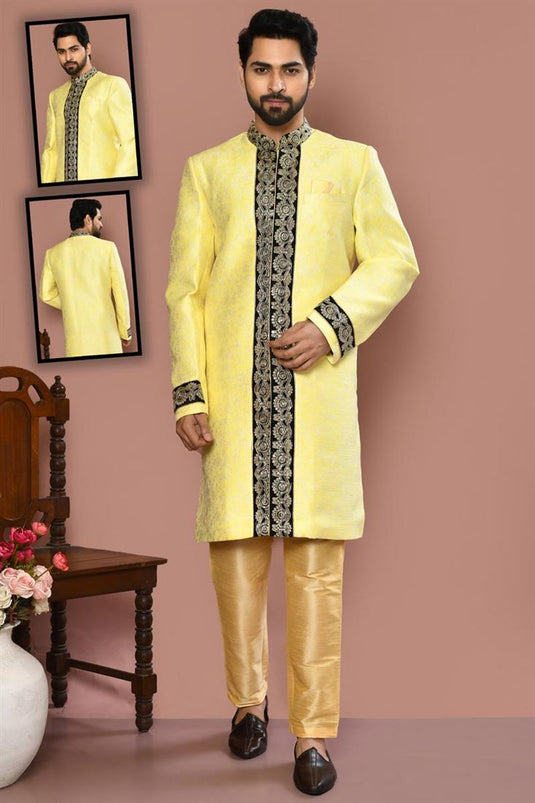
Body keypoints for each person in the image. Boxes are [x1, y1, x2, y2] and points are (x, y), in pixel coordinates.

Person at [166, 9, 418, 796]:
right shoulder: (207, 171)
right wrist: (188, 393)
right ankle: (248, 704)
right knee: (235, 569)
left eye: (289, 69)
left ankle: (312, 735)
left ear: (311, 72)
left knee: (316, 578)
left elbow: (394, 260)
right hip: (233, 408)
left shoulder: (354, 163)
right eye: (261, 68)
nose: (274, 84)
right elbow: (184, 291)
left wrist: (329, 324)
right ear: (242, 71)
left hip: (316, 409)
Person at [40, 21, 138, 183]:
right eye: (61, 52)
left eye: (74, 49)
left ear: (88, 48)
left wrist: (117, 186)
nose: (68, 58)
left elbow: (130, 143)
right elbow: (51, 151)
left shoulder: (112, 85)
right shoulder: (55, 96)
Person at [40, 198, 132, 357]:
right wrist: (125, 332)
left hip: (76, 342)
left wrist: (72, 303)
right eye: (99, 219)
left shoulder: (53, 254)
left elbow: (46, 295)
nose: (101, 224)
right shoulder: (107, 248)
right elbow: (120, 294)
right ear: (88, 219)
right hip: (107, 337)